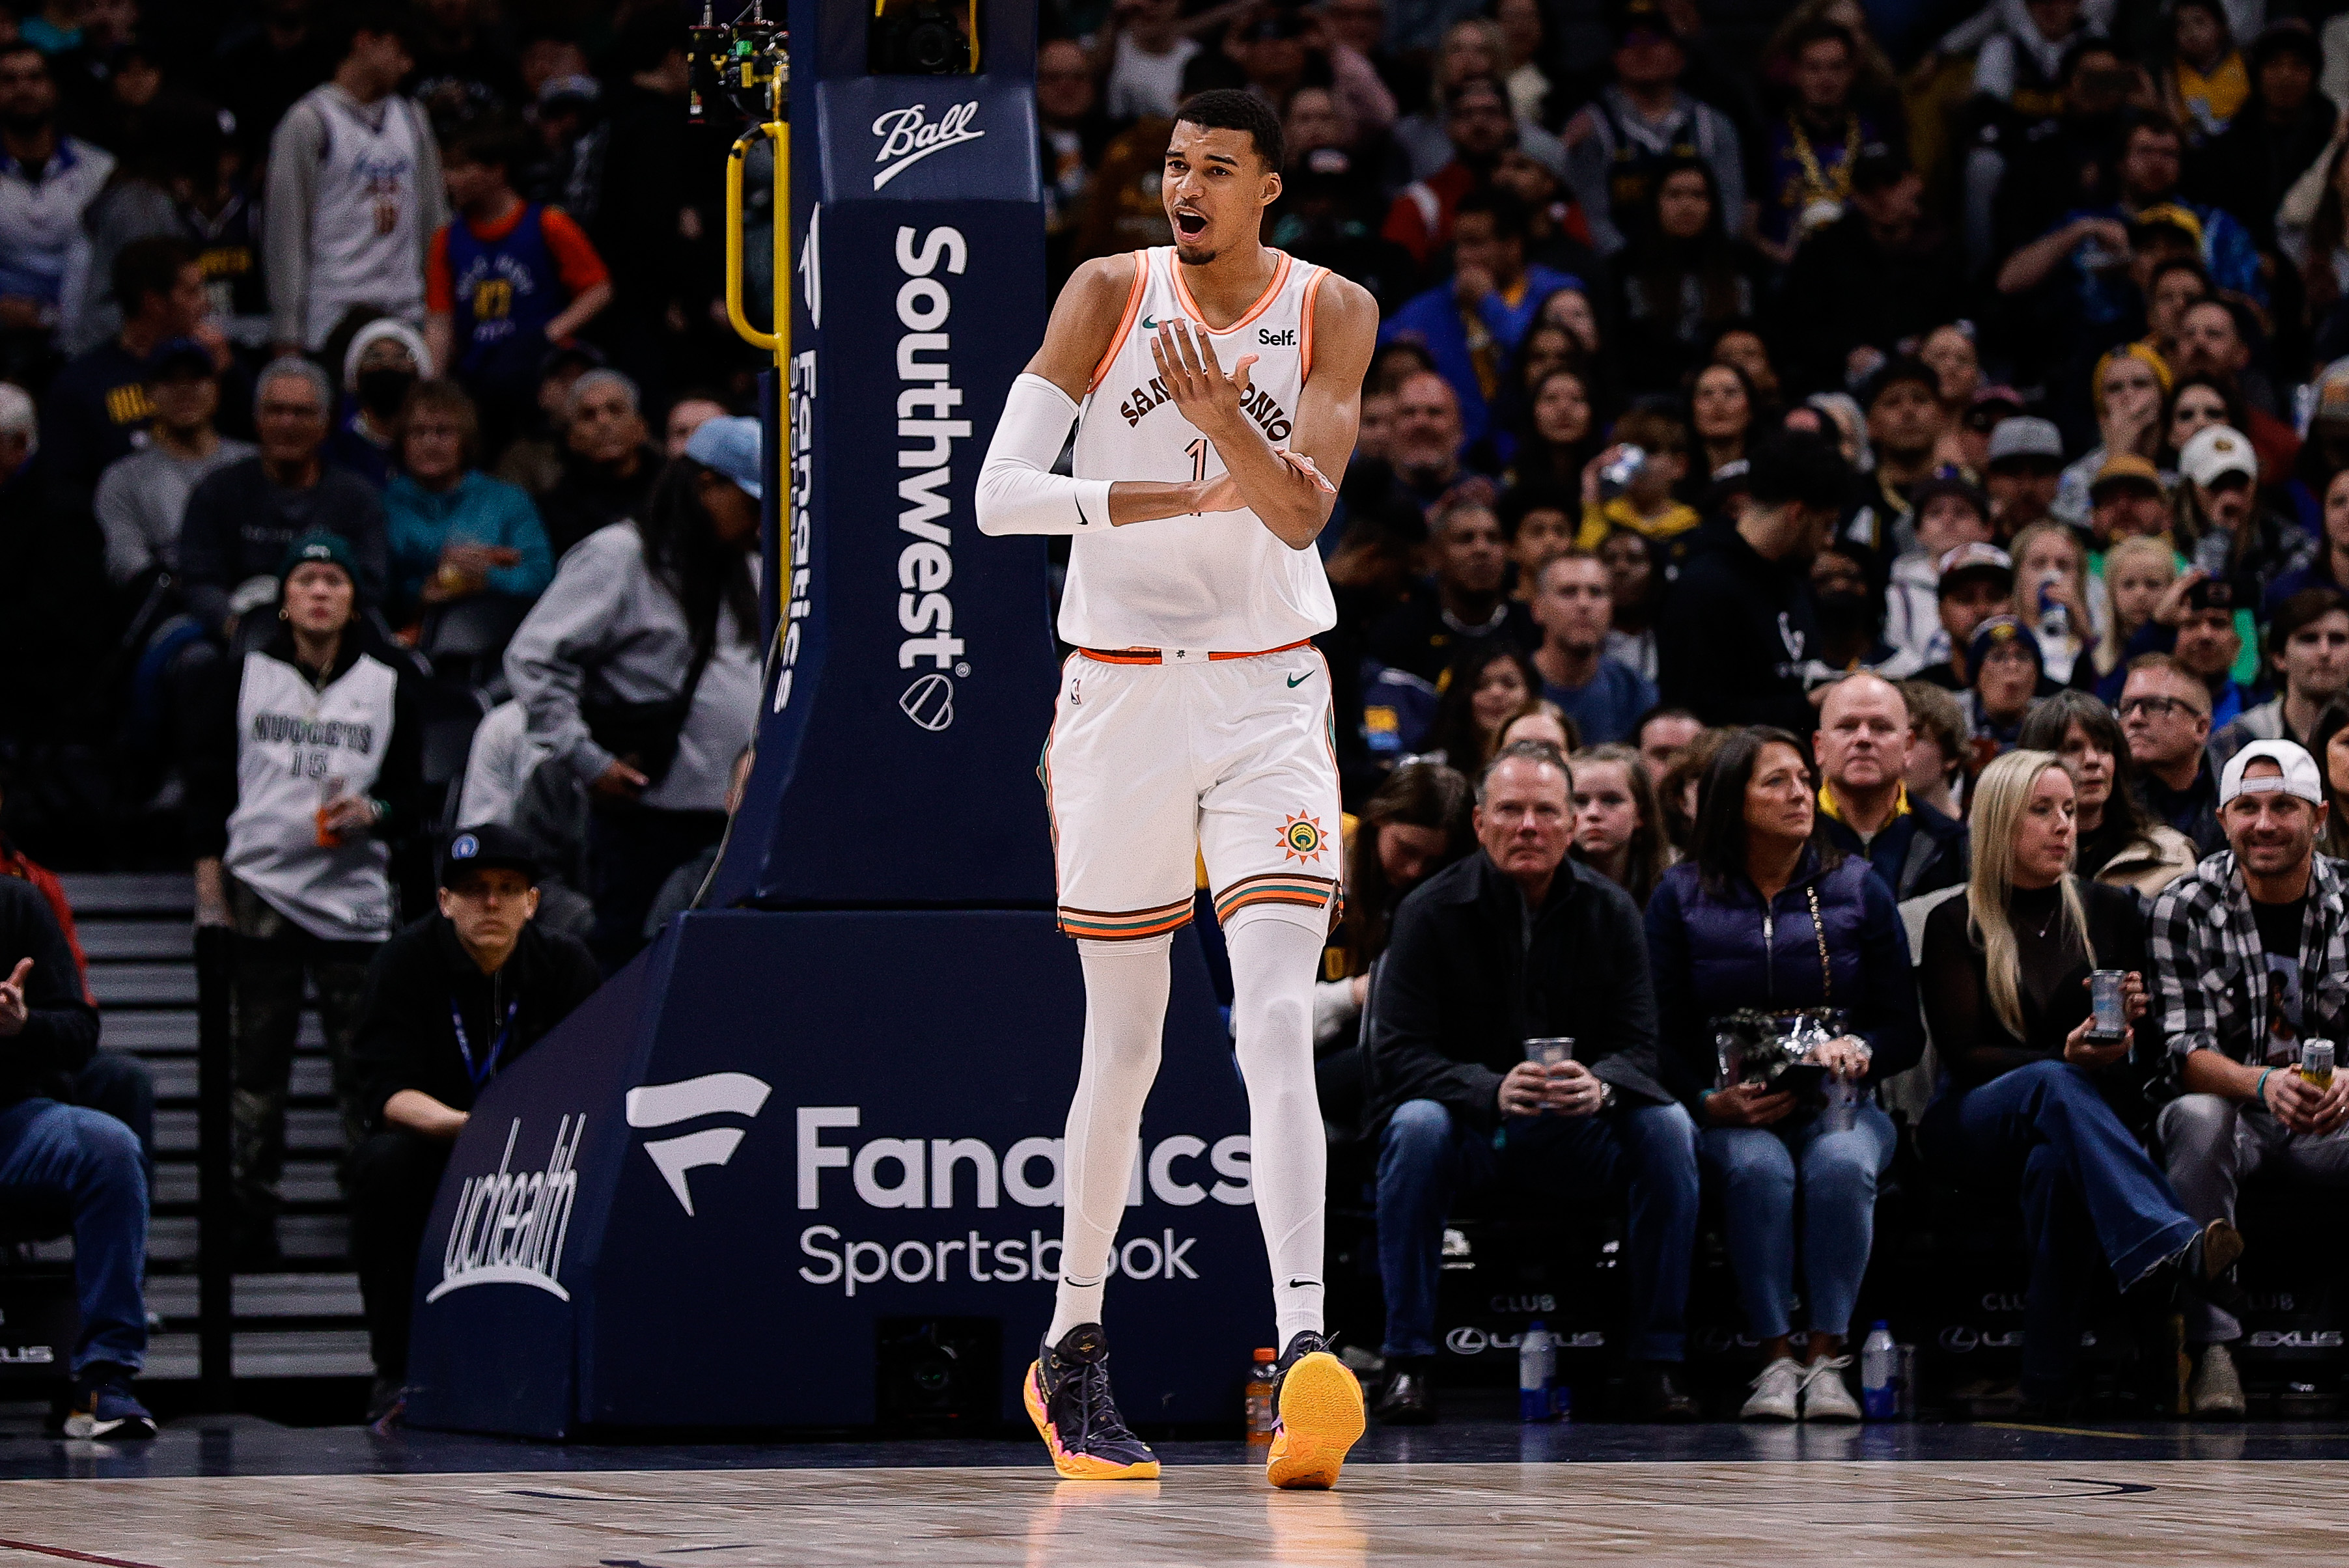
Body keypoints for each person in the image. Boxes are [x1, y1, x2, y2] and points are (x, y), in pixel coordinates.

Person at [973, 89, 1379, 1487]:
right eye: (1171, 166)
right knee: (1127, 1045)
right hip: (1121, 690)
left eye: (1214, 169)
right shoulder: (1106, 290)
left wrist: (1235, 436)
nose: (1184, 188)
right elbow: (998, 495)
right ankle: (1071, 1344)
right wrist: (1145, 498)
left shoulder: (1335, 308)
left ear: (1270, 188)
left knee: (1272, 1015)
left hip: (1269, 691)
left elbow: (1305, 509)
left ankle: (1306, 1355)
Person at [1367, 741, 1699, 1424]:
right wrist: (1487, 1088)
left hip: (1575, 1134)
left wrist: (1600, 1085)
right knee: (1413, 1125)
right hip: (1470, 1132)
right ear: (1481, 822)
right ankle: (1407, 1361)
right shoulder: (1427, 911)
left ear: (1571, 825)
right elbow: (1396, 1055)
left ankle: (1654, 1362)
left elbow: (1642, 1047)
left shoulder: (1610, 911)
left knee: (1666, 1128)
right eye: (1511, 810)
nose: (1528, 826)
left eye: (1546, 811)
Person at [1920, 749, 2236, 1415]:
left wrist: (2128, 1032)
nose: (2062, 825)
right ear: (2000, 820)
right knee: (2052, 1085)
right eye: (2041, 811)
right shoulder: (1955, 920)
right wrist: (2061, 1061)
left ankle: (2044, 1387)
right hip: (1973, 1120)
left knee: (2057, 1168)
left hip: (2073, 1118)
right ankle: (2171, 1241)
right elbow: (1963, 1053)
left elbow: (2137, 1054)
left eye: (2067, 810)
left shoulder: (2106, 910)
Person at [1645, 727, 1922, 1422]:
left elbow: (1903, 1030)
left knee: (1839, 1166)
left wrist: (1861, 1046)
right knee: (1755, 1170)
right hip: (1733, 1109)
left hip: (1842, 1105)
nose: (1799, 793)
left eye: (1803, 779)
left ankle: (1826, 1361)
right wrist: (1706, 1103)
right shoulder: (1678, 895)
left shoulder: (1857, 887)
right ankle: (1773, 1361)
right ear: (1729, 799)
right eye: (1775, 782)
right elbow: (1653, 1032)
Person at [186, 532, 423, 1264]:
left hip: (352, 898)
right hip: (259, 890)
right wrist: (209, 891)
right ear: (283, 601)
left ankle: (371, 1215)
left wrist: (375, 813)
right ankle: (245, 1221)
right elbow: (206, 791)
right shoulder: (240, 677)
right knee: (253, 1069)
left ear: (354, 602)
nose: (320, 592)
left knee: (361, 1069)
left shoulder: (390, 683)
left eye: (334, 581)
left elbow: (415, 798)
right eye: (306, 580)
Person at [346, 823, 599, 1425]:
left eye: (509, 888)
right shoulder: (403, 961)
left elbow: (599, 1078)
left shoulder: (567, 965)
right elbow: (384, 1090)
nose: (491, 902)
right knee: (383, 1164)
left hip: (544, 1151)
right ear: (444, 900)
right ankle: (396, 1370)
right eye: (475, 888)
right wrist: (466, 1128)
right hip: (438, 1142)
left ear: (533, 902)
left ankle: (570, 1366)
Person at [508, 415, 764, 973]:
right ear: (706, 488)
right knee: (630, 970)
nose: (760, 520)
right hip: (645, 819)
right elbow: (532, 656)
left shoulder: (749, 565)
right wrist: (584, 756)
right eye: (751, 503)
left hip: (730, 820)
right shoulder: (620, 556)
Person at [2152, 740, 2349, 1418]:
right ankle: (2214, 1351)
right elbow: (2180, 1050)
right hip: (2236, 1117)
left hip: (2333, 1120)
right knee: (2194, 1116)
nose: (2263, 824)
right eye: (2246, 808)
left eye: (2283, 807)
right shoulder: (2181, 905)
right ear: (2221, 817)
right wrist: (2262, 1085)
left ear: (2317, 817)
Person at [0, 873, 150, 1438]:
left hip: (10, 1122)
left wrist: (24, 1024)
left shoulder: (16, 901)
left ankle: (102, 1378)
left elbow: (79, 1029)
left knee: (108, 1149)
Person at [264, 4, 444, 355]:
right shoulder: (309, 120)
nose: (407, 66)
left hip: (406, 308)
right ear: (365, 41)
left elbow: (435, 222)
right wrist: (288, 330)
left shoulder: (412, 117)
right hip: (333, 312)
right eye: (400, 52)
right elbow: (285, 233)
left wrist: (439, 311)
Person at [176, 357, 389, 641]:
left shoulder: (358, 499)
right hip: (232, 636)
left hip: (334, 637)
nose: (287, 422)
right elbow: (199, 580)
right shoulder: (217, 491)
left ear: (326, 423)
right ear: (257, 420)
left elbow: (371, 584)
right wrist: (234, 626)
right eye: (276, 411)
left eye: (302, 412)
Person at [424, 113, 611, 430]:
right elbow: (440, 320)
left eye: (458, 168)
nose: (447, 179)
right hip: (477, 381)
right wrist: (431, 387)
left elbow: (598, 289)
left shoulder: (548, 224)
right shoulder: (446, 239)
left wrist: (547, 335)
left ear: (496, 171)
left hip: (539, 380)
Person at [1313, 762, 1473, 1126]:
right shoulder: (1315, 877)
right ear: (1377, 823)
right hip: (1320, 1065)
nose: (1415, 871)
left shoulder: (1454, 900)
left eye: (1433, 860)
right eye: (1405, 849)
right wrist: (1357, 993)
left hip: (1417, 1069)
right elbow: (1252, 1024)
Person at [1656, 431, 1848, 731]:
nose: (1829, 541)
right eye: (1826, 525)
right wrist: (1807, 706)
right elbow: (1696, 714)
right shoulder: (1703, 588)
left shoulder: (1792, 580)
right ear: (1797, 513)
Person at [1379, 188, 1573, 454]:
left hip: (1540, 447)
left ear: (1513, 246)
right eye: (1458, 244)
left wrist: (1488, 303)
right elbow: (1379, 353)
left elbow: (1546, 352)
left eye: (1475, 244)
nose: (1462, 256)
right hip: (1456, 455)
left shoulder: (1555, 294)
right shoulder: (1430, 308)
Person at [38, 235, 214, 509]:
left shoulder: (211, 366)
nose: (206, 304)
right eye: (192, 292)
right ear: (153, 302)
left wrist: (231, 375)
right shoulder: (81, 385)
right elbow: (64, 492)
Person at [1560, 0, 1745, 258]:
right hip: (1620, 269)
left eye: (1656, 39)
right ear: (1615, 56)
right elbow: (1593, 216)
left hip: (1706, 263)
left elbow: (1730, 208)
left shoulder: (1712, 126)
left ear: (1680, 56)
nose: (1642, 50)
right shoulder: (1590, 128)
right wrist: (1631, 265)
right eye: (1630, 40)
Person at [382, 379, 553, 632]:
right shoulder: (383, 505)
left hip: (502, 636)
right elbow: (373, 589)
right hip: (410, 636)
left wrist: (486, 577)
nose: (430, 442)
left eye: (443, 431)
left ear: (465, 439)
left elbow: (542, 578)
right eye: (418, 431)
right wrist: (421, 595)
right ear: (402, 441)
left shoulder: (508, 501)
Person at [92, 336, 253, 592]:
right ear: (149, 393)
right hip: (169, 607)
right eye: (169, 380)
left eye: (196, 378)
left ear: (216, 387)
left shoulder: (252, 464)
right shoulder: (123, 478)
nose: (184, 390)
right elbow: (125, 560)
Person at [0, 40, 113, 381]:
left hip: (89, 340)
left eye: (34, 78)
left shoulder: (100, 169)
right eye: (9, 80)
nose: (23, 89)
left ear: (53, 89)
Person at [2018, 691, 2199, 900]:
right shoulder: (2011, 857)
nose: (2093, 760)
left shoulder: (2169, 854)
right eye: (2073, 748)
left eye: (2104, 748)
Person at [1814, 673, 1967, 900]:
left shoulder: (1954, 845)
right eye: (1847, 727)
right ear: (1819, 748)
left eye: (1880, 728)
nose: (1863, 738)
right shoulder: (1782, 838)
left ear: (1908, 747)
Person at [1364, 488, 1535, 683]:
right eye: (1465, 539)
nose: (1482, 549)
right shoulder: (1399, 633)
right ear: (1436, 555)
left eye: (1493, 539)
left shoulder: (1532, 628)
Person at [1530, 552, 1655, 747]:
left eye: (1596, 592)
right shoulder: (1513, 686)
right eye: (1569, 592)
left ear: (1611, 607)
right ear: (1537, 608)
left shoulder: (1635, 692)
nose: (1584, 604)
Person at [2213, 589, 2349, 767]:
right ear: (2279, 657)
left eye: (2338, 640)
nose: (2325, 652)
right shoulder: (2240, 738)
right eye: (2309, 639)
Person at [537, 367, 661, 560]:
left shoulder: (671, 492)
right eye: (588, 415)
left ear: (641, 427)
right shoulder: (555, 511)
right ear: (572, 439)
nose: (603, 422)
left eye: (615, 410)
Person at [2120, 653, 2225, 857]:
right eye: (2126, 707)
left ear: (2201, 728)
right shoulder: (2109, 805)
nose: (2135, 718)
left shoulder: (2236, 798)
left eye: (2155, 705)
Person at [1568, 741, 1673, 908]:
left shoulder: (1671, 890)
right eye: (1580, 801)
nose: (1593, 813)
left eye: (1611, 800)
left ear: (1640, 813)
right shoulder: (1544, 891)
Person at [327, 317, 426, 489]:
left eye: (402, 358)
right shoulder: (336, 449)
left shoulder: (434, 448)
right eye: (374, 357)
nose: (388, 365)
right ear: (355, 377)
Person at [1423, 643, 1542, 772]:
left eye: (1509, 684)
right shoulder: (1433, 769)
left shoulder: (1549, 767)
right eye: (1482, 685)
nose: (1496, 693)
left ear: (1531, 694)